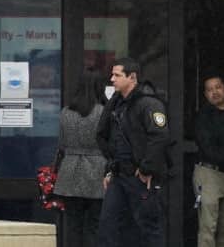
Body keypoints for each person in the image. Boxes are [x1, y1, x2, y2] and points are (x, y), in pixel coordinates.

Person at [96, 57, 170, 247]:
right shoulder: (116, 103)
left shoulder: (149, 103)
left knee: (148, 227)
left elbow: (159, 137)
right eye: (112, 74)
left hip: (139, 176)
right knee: (108, 225)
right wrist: (110, 168)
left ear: (132, 77)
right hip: (118, 174)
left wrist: (146, 169)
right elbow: (110, 139)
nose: (112, 79)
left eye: (117, 75)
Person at [54, 71, 108, 247]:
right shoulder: (104, 112)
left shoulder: (66, 112)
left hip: (70, 170)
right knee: (94, 225)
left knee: (73, 226)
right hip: (97, 170)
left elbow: (62, 144)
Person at [193, 74, 224, 247]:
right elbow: (207, 148)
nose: (214, 92)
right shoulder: (203, 116)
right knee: (208, 227)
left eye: (218, 87)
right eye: (209, 90)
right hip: (209, 174)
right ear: (205, 95)